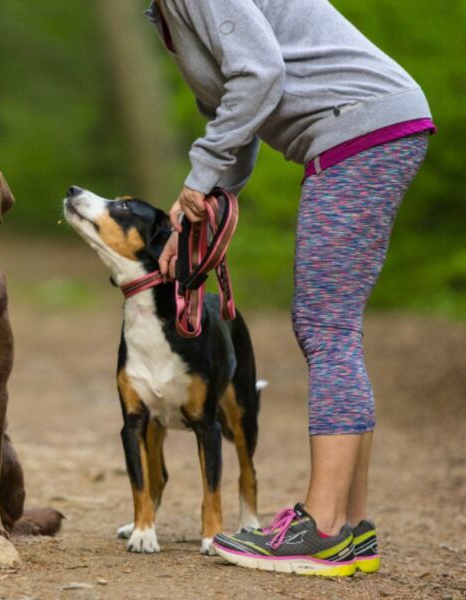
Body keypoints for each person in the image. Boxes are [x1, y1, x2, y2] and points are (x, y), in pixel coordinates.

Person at [148, 0, 433, 576]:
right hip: (368, 127)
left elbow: (261, 73)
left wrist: (199, 177)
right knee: (334, 329)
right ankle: (350, 529)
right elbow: (238, 103)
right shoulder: (164, 11)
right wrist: (207, 202)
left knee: (325, 328)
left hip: (361, 127)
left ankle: (323, 526)